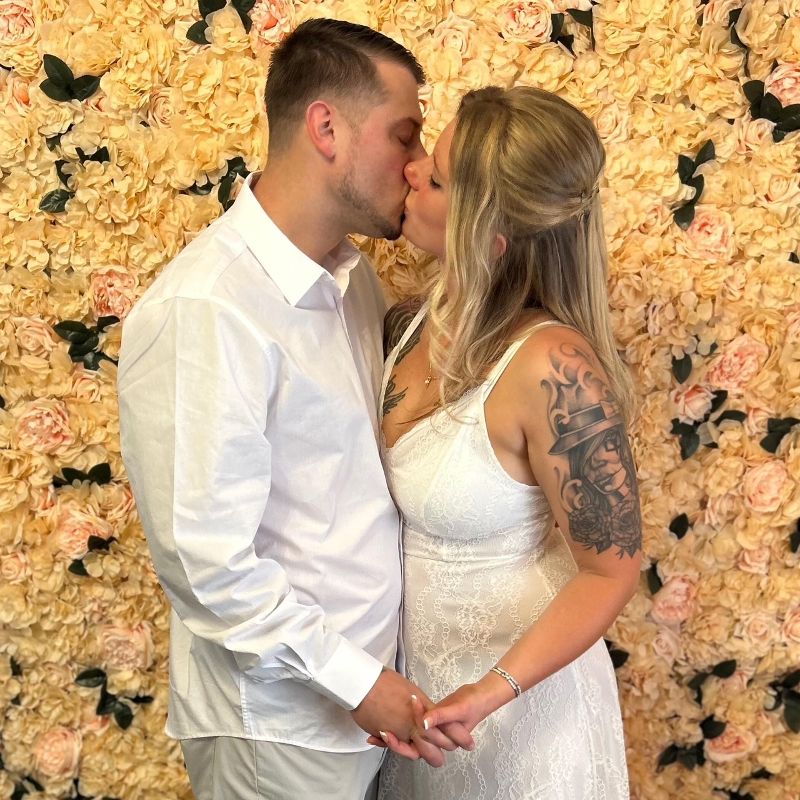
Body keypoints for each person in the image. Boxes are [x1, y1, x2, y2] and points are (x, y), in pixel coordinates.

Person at [118, 19, 471, 800]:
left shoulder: (353, 284)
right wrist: (358, 682)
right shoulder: (207, 308)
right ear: (326, 127)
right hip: (277, 728)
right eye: (404, 136)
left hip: (364, 713)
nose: (416, 167)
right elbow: (208, 565)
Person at [373, 86, 641, 799]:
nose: (408, 173)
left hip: (523, 711)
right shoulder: (403, 323)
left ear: (485, 235)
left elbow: (608, 570)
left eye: (433, 177)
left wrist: (491, 692)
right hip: (422, 704)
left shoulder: (553, 368)